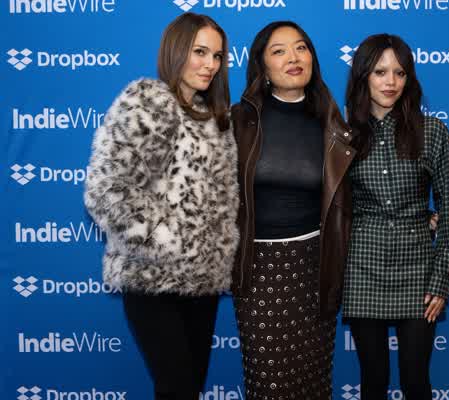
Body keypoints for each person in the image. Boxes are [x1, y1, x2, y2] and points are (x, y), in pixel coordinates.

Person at [84, 13, 238, 400]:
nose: (210, 64)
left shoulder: (216, 120)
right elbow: (106, 189)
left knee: (189, 388)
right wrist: (161, 242)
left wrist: (209, 253)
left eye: (217, 56)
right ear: (176, 50)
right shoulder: (149, 101)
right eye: (200, 52)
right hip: (152, 280)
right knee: (177, 388)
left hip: (203, 282)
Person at [230, 21, 356, 400]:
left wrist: (418, 215)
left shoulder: (332, 123)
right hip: (258, 269)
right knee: (268, 383)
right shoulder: (239, 122)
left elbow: (351, 196)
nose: (293, 57)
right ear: (262, 66)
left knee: (313, 383)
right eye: (279, 51)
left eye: (301, 48)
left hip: (316, 266)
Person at [342, 33, 449, 400]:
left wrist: (441, 280)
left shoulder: (433, 132)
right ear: (363, 76)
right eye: (380, 72)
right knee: (373, 381)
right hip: (362, 266)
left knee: (416, 380)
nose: (390, 82)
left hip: (418, 268)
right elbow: (335, 207)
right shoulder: (343, 135)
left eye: (400, 73)